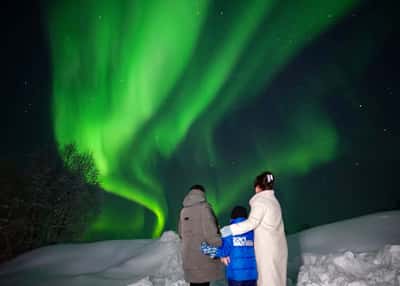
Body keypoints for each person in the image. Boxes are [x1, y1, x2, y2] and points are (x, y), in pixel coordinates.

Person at [220, 172, 288, 286]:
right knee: (277, 280)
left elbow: (251, 223)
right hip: (278, 248)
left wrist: (228, 230)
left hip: (267, 250)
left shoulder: (261, 201)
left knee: (268, 281)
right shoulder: (274, 201)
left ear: (257, 187)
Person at [178, 184, 224, 286]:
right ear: (202, 193)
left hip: (189, 257)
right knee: (203, 282)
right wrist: (219, 245)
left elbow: (181, 233)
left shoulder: (183, 211)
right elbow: (211, 233)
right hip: (202, 257)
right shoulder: (204, 208)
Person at [201, 206, 258, 286]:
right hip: (252, 276)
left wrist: (205, 249)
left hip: (236, 277)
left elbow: (224, 252)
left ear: (232, 217)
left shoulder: (229, 231)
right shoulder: (253, 231)